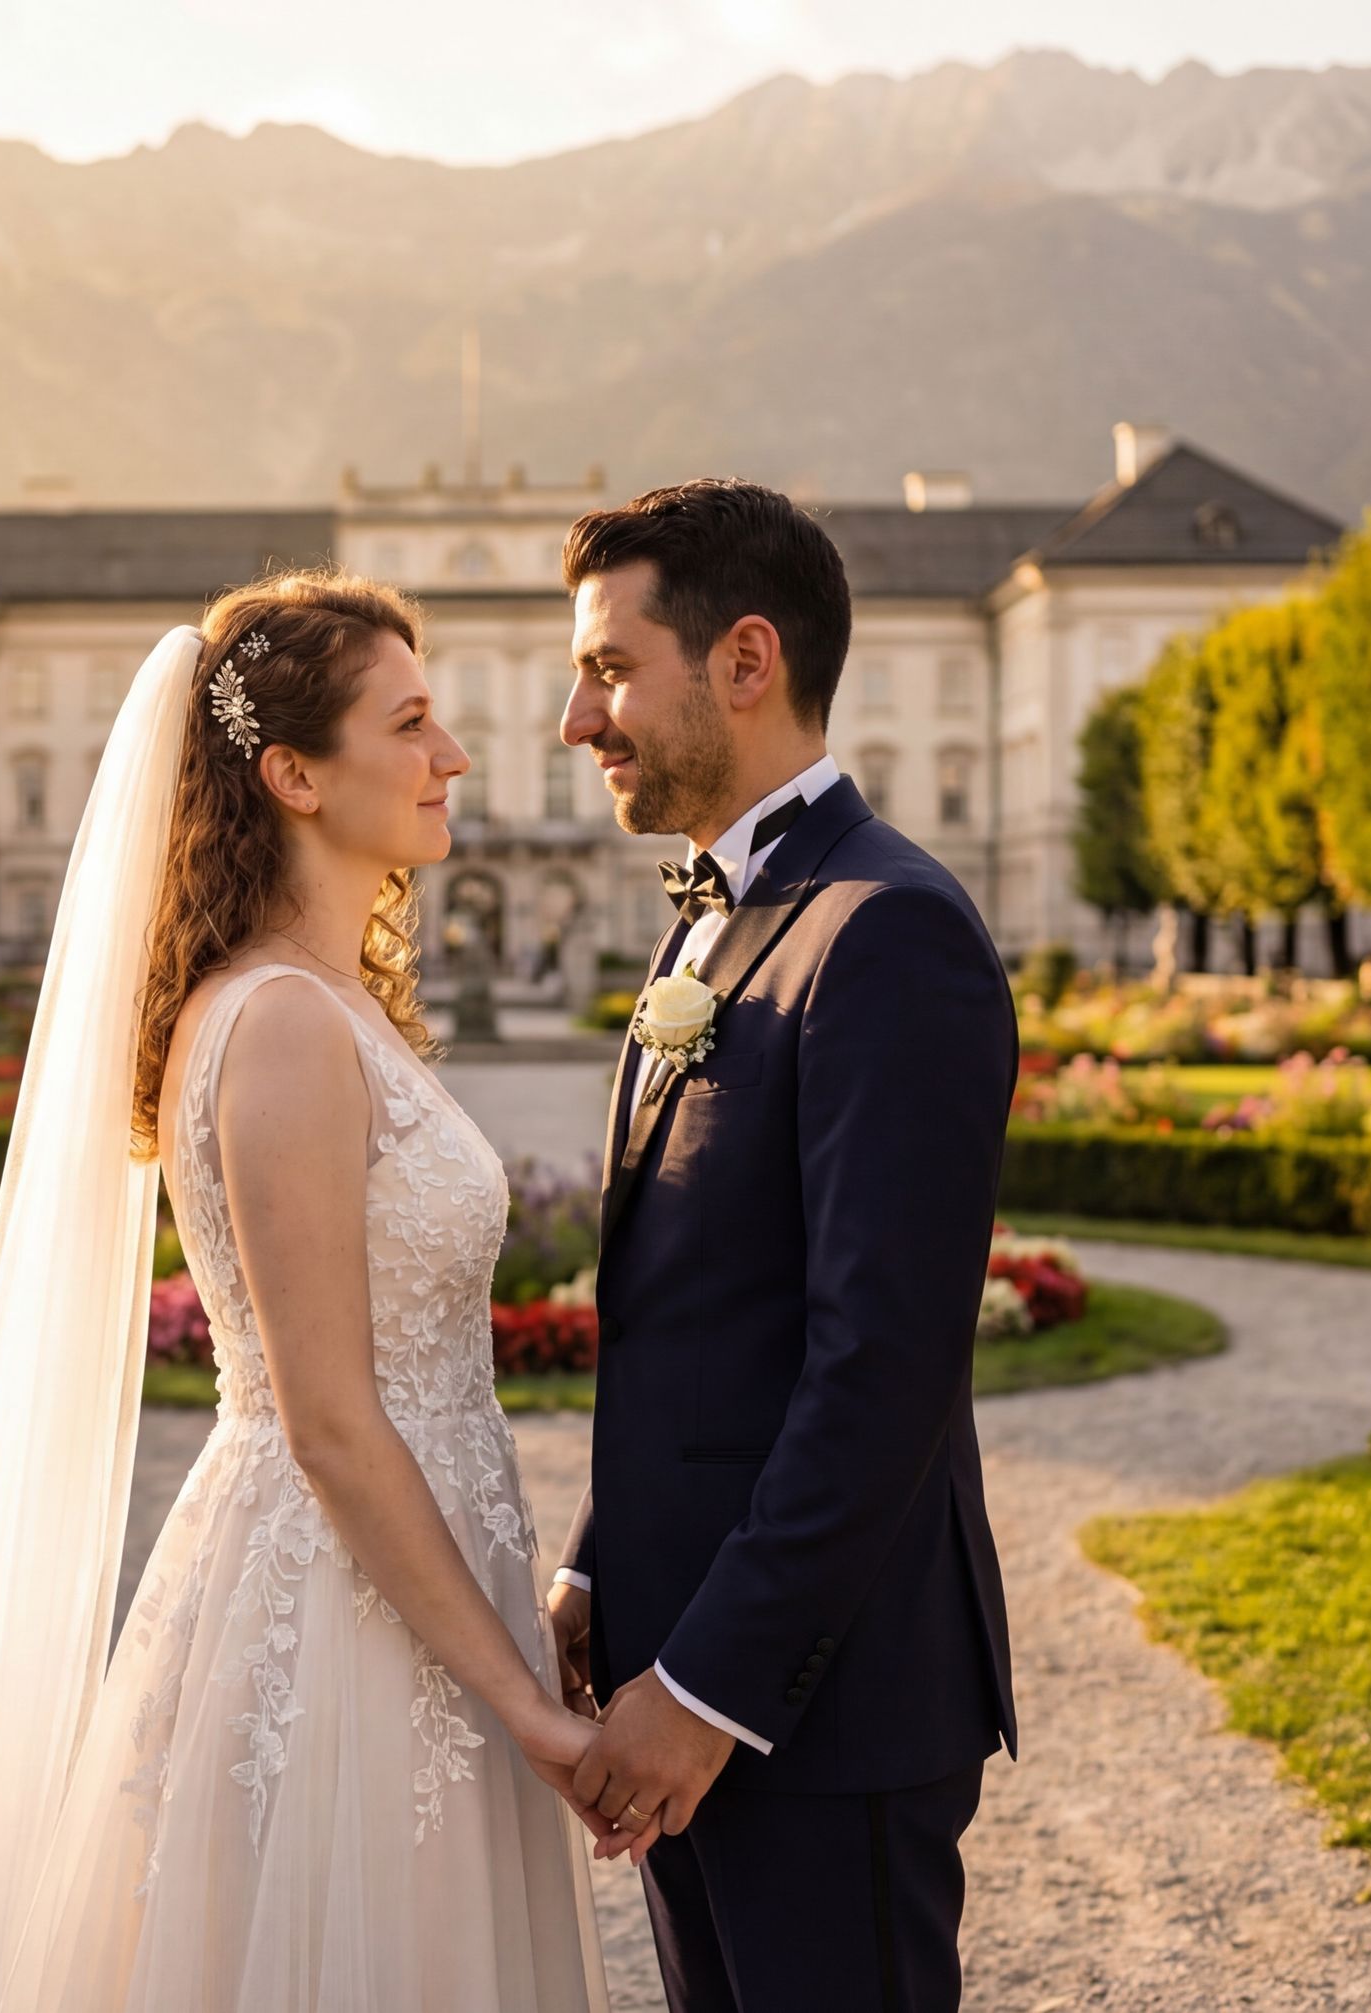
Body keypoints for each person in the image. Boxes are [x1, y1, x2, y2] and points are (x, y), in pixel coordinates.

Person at [0, 572, 610, 2012]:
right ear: (292, 773)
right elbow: (331, 1422)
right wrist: (524, 1705)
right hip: (348, 1610)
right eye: (412, 723)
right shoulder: (286, 1023)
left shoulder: (323, 998)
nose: (456, 758)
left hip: (413, 1585)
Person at [548, 480, 1017, 2011]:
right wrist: (601, 1577)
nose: (577, 719)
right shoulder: (714, 917)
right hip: (693, 1676)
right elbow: (702, 1316)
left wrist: (702, 1691)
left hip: (819, 1709)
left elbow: (878, 1368)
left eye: (611, 669)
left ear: (745, 660)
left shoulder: (888, 929)